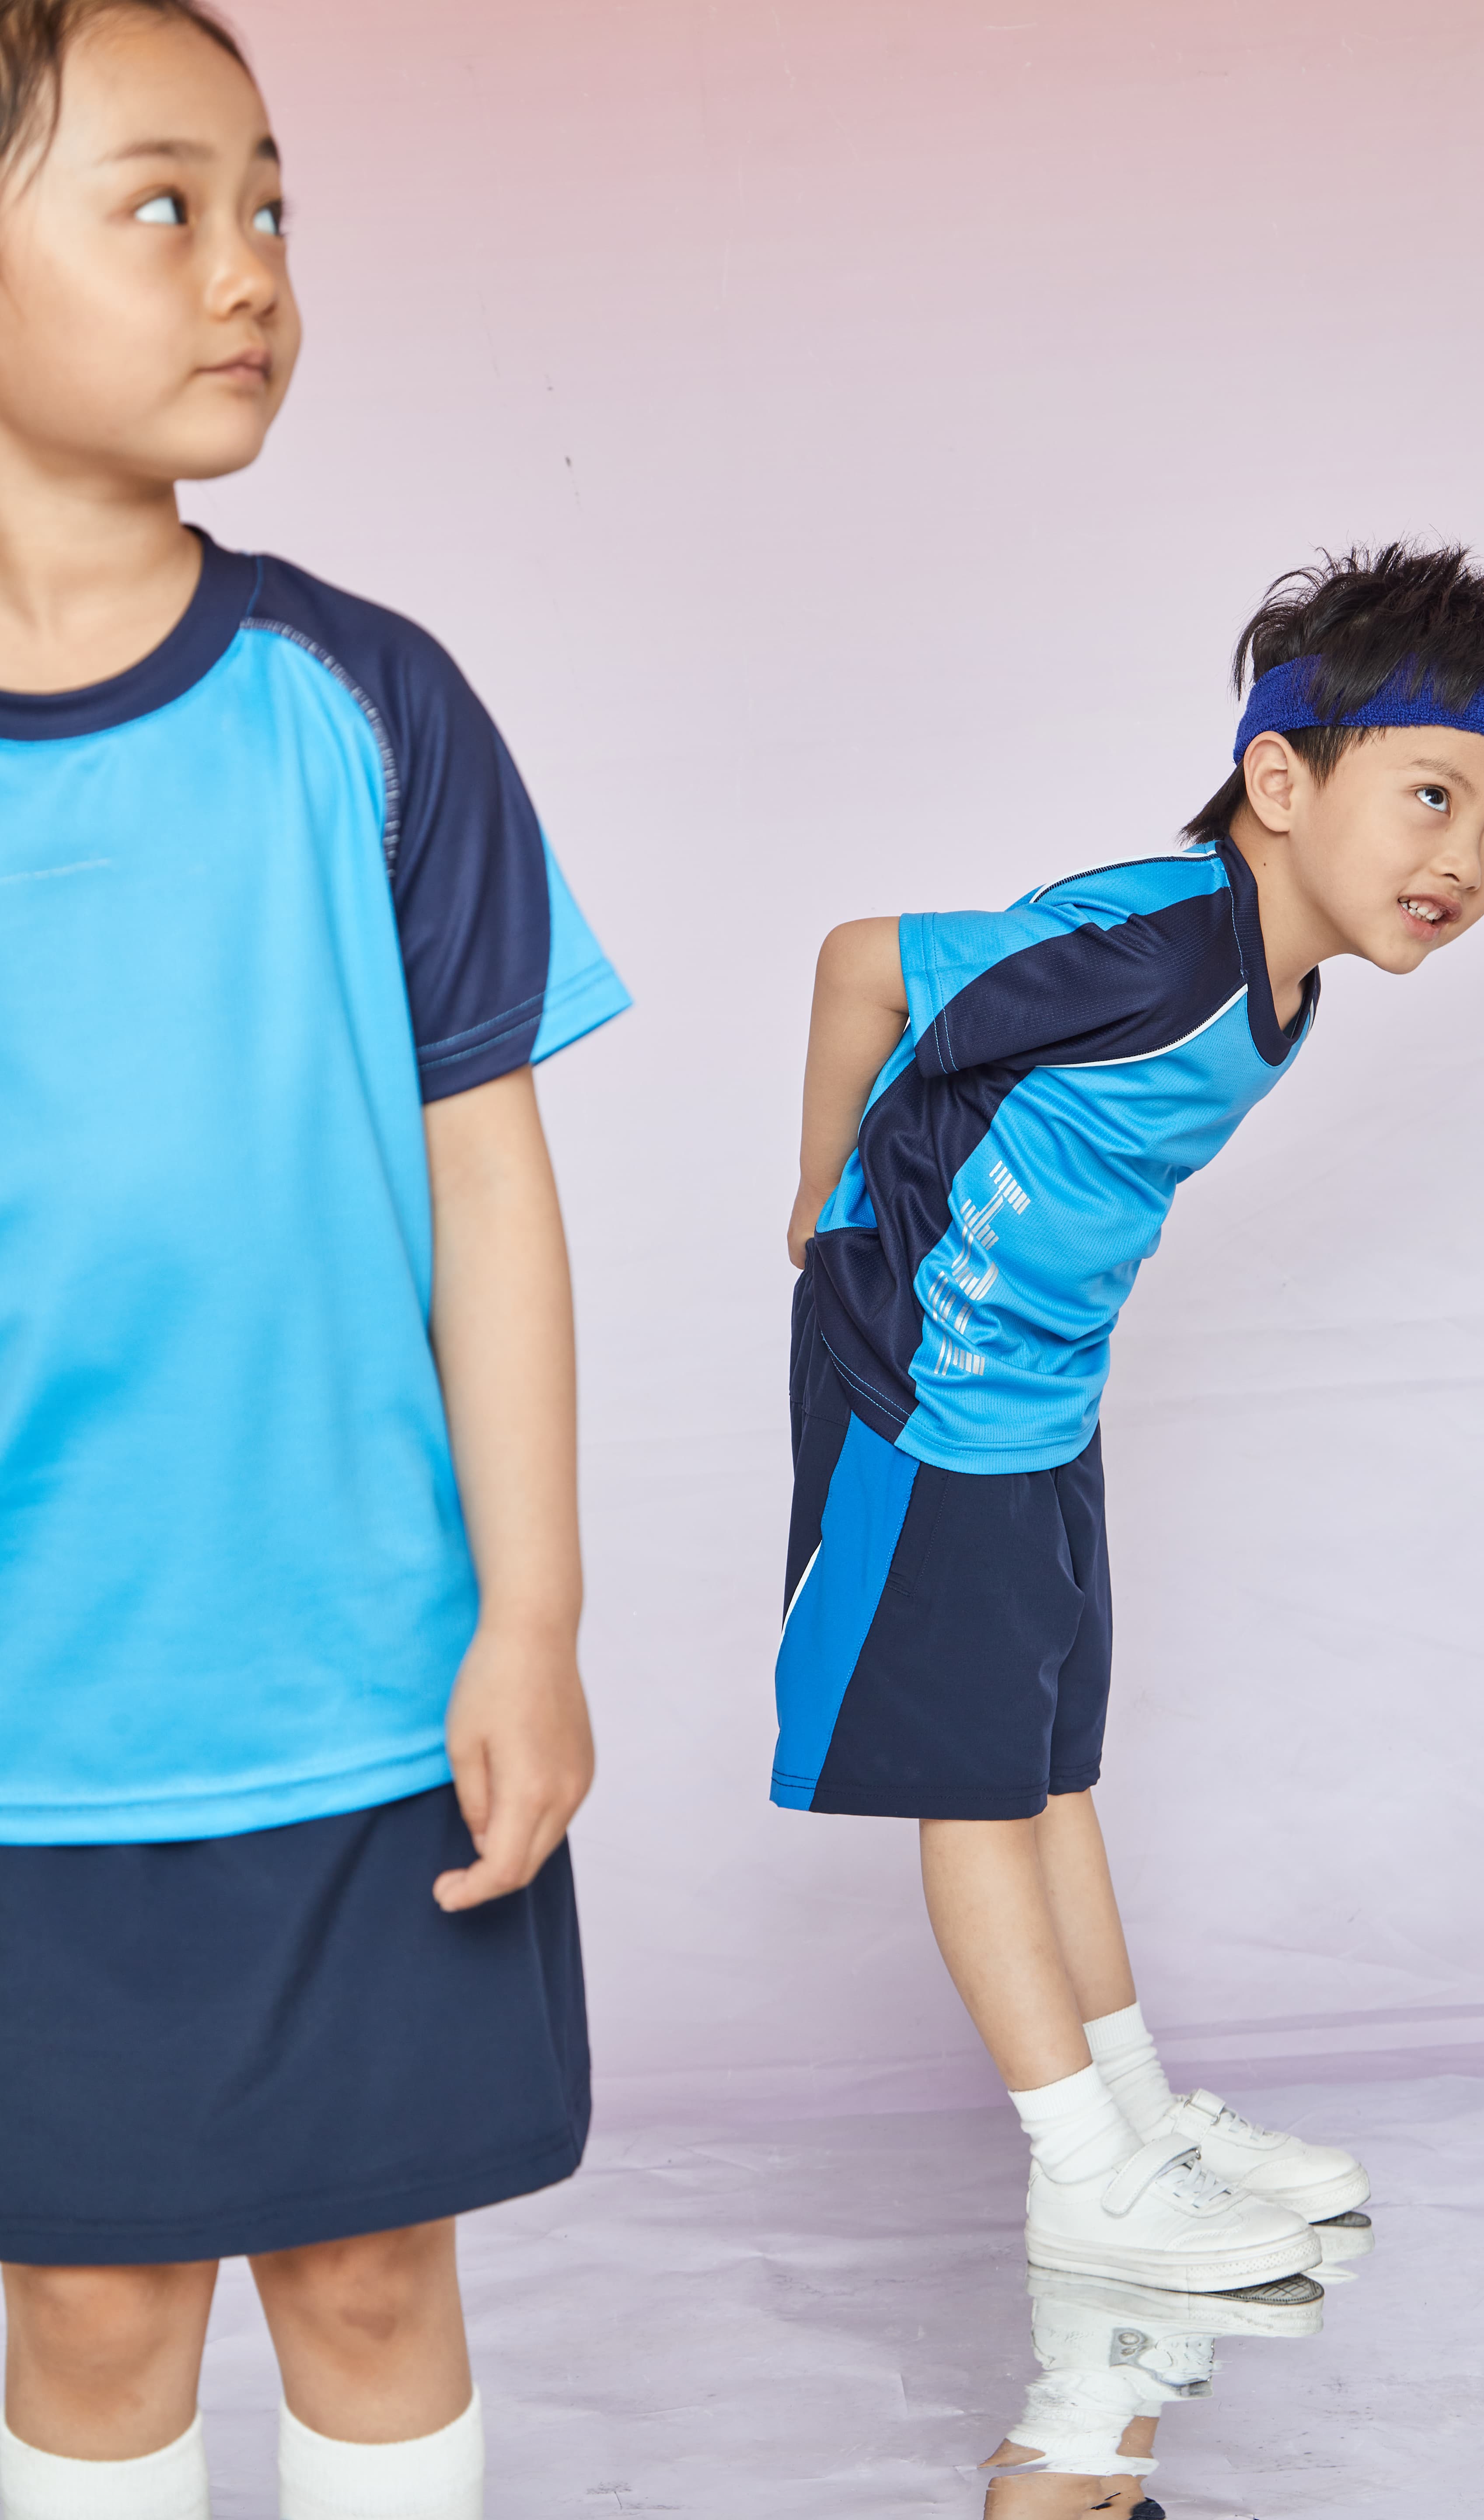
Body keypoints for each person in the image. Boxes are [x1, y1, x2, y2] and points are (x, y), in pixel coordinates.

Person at [775, 539, 1484, 2510]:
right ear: (1280, 784)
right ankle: (1084, 2172)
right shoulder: (1161, 938)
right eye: (1434, 796)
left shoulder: (1279, 974)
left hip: (1040, 1406)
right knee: (977, 1790)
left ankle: (1141, 2124)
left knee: (1053, 1768)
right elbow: (863, 963)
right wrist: (816, 1224)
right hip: (933, 1402)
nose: (1467, 863)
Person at [0, 5, 627, 2515]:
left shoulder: (368, 704)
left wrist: (537, 1620)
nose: (245, 265)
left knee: (374, 2271)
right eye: (162, 204)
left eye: (270, 204)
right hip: (35, 1722)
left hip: (362, 1692)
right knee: (83, 2292)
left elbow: (494, 1188)